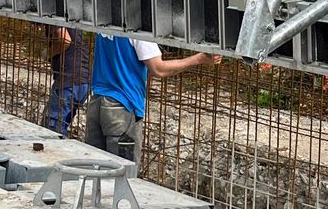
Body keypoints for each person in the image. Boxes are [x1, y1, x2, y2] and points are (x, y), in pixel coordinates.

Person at [84, 32, 211, 167]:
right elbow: (158, 69)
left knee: (93, 169)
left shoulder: (105, 21)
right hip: (123, 108)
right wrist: (199, 59)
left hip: (97, 102)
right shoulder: (138, 30)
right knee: (123, 174)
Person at [41, 27, 92, 137]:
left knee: (51, 131)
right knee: (61, 126)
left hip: (68, 82)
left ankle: (53, 152)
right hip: (83, 81)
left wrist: (48, 53)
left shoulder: (51, 14)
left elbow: (64, 40)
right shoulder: (71, 16)